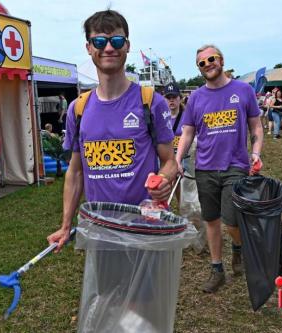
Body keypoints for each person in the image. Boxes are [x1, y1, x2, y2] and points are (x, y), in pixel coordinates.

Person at [46, 10, 177, 327]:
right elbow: (75, 172)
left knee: (140, 303)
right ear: (88, 48)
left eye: (116, 39)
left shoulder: (150, 101)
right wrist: (65, 226)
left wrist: (164, 180)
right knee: (109, 297)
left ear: (127, 45)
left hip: (142, 227)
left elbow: (170, 161)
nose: (109, 47)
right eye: (100, 41)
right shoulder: (79, 108)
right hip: (102, 230)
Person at [175, 44, 263, 293]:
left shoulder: (243, 90)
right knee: (211, 220)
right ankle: (217, 270)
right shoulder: (196, 97)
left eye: (211, 59)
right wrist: (179, 158)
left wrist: (255, 154)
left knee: (232, 220)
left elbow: (256, 127)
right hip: (205, 168)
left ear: (221, 60)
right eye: (201, 63)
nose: (207, 64)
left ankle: (238, 247)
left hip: (236, 165)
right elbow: (188, 131)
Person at [163, 82, 184, 204]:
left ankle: (183, 207)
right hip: (167, 156)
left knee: (182, 186)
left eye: (174, 97)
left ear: (180, 98)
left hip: (184, 157)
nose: (171, 101)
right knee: (166, 184)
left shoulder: (187, 116)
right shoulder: (160, 118)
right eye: (168, 97)